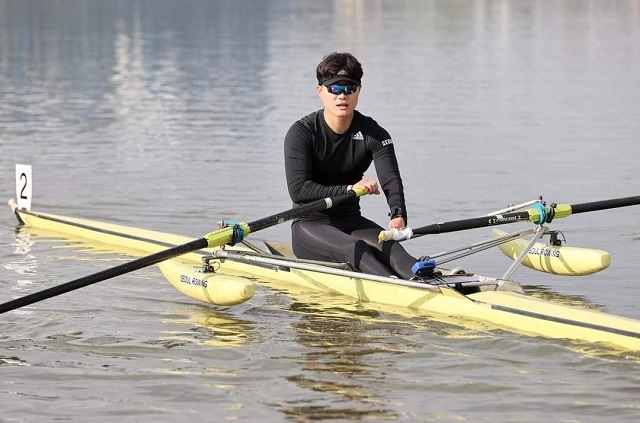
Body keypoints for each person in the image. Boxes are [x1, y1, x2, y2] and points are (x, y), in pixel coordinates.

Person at [283, 52, 417, 280]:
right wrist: (348, 189)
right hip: (310, 223)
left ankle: (431, 282)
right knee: (356, 248)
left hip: (351, 219)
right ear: (320, 91)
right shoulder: (302, 133)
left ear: (359, 91)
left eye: (349, 88)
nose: (342, 95)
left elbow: (391, 179)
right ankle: (394, 285)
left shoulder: (373, 133)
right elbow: (299, 190)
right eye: (334, 88)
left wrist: (398, 214)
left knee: (393, 250)